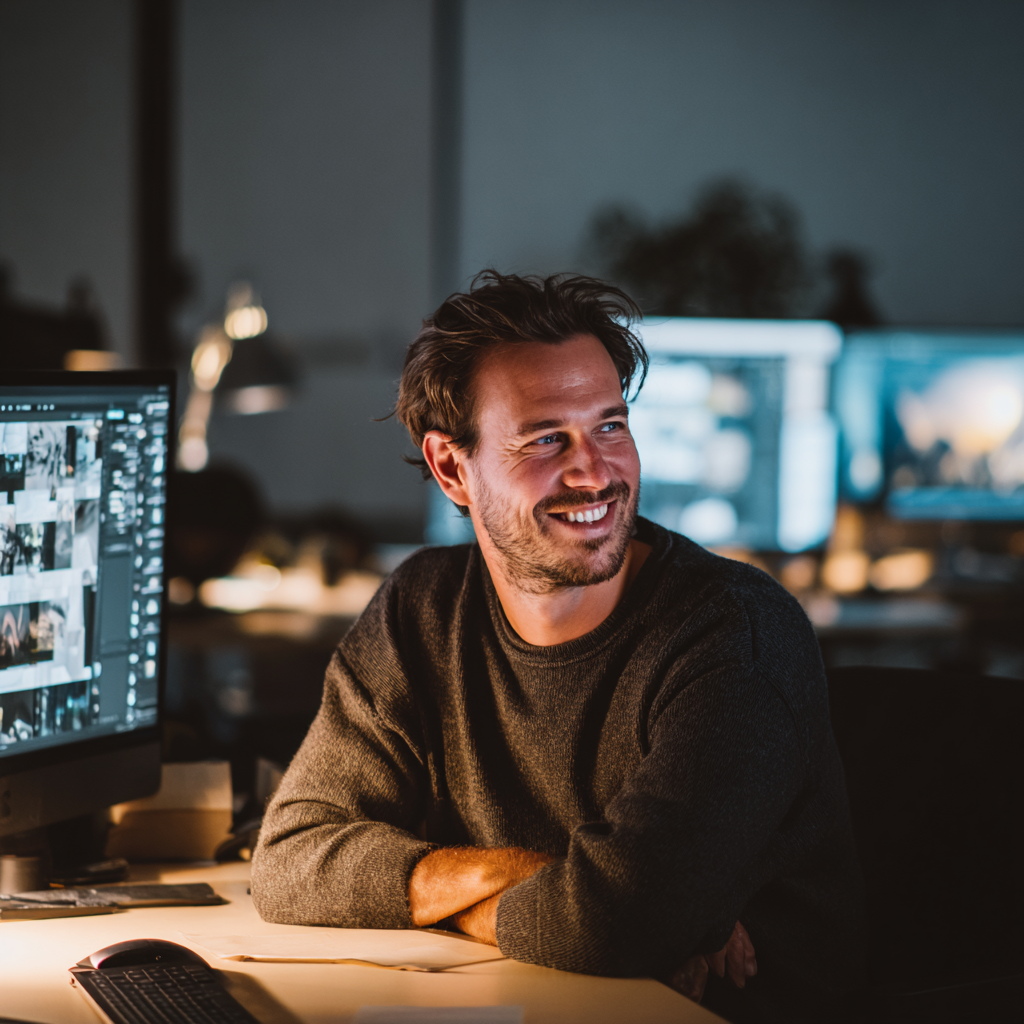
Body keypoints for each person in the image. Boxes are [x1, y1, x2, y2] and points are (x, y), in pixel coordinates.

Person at [252, 271, 864, 1021]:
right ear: (452, 467)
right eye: (547, 439)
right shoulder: (422, 609)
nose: (596, 472)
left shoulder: (736, 635)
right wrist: (536, 884)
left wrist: (467, 899)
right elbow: (290, 859)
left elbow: (618, 922)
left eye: (611, 425)